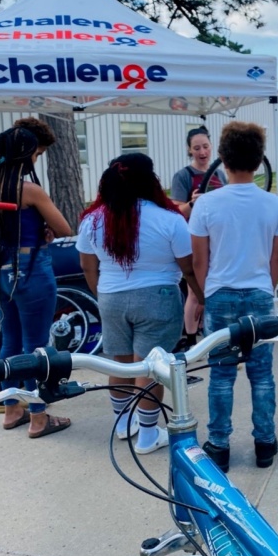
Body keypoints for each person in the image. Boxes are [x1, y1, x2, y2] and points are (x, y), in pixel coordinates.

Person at [77, 153, 204, 454]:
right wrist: (200, 296)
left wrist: (102, 294)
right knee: (150, 367)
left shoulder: (93, 219)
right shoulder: (170, 218)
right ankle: (148, 434)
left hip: (110, 297)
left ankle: (123, 425)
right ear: (151, 180)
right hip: (157, 298)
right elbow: (187, 268)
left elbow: (87, 266)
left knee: (119, 362)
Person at [189, 121, 278, 473]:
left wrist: (206, 293)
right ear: (259, 158)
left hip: (220, 294)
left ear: (222, 158)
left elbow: (200, 259)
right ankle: (264, 442)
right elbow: (277, 258)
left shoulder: (207, 204)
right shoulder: (272, 204)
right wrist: (267, 287)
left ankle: (219, 445)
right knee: (262, 374)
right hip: (260, 293)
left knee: (221, 374)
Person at [0, 126, 73, 438]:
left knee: (10, 341)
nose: (37, 157)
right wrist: (42, 228)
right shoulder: (29, 190)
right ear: (26, 155)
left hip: (1, 272)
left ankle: (11, 409)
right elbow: (65, 228)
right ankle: (38, 416)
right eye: (36, 153)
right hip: (31, 270)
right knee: (36, 347)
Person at [170, 126, 227, 349]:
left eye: (205, 146)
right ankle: (191, 340)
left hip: (217, 239)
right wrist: (192, 203)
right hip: (194, 239)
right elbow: (175, 213)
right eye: (197, 148)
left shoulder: (220, 174)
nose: (202, 152)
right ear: (189, 150)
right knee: (195, 289)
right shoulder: (183, 176)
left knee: (215, 286)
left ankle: (210, 333)